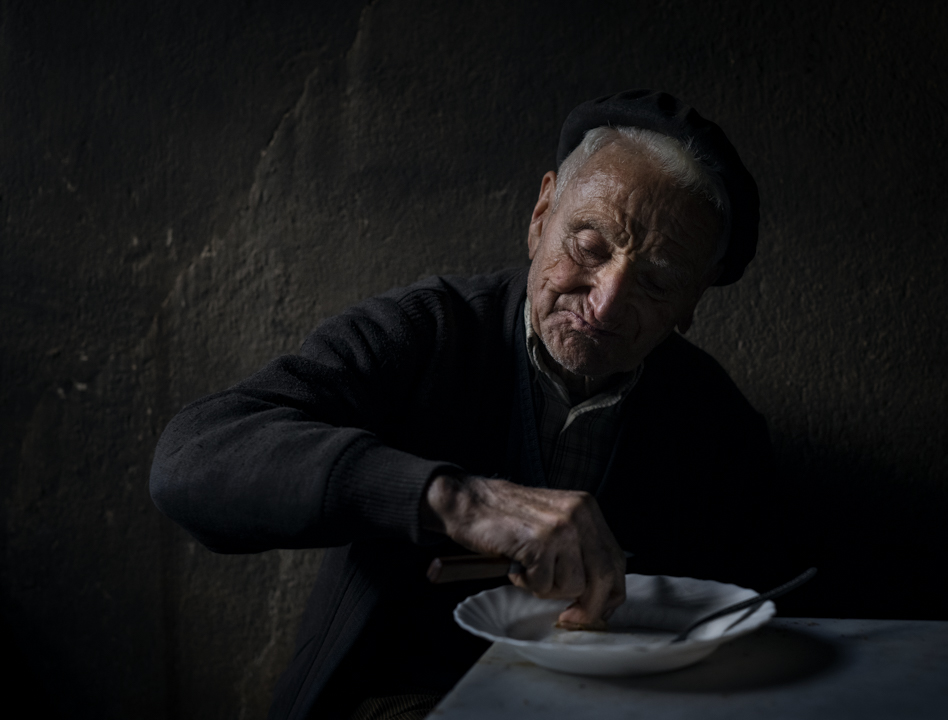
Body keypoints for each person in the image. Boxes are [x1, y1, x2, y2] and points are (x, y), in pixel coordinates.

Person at [151, 89, 781, 720]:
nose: (606, 303)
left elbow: (751, 614)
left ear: (691, 305)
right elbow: (191, 460)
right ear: (541, 216)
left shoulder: (711, 419)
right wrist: (458, 500)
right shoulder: (427, 332)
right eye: (589, 246)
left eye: (658, 281)